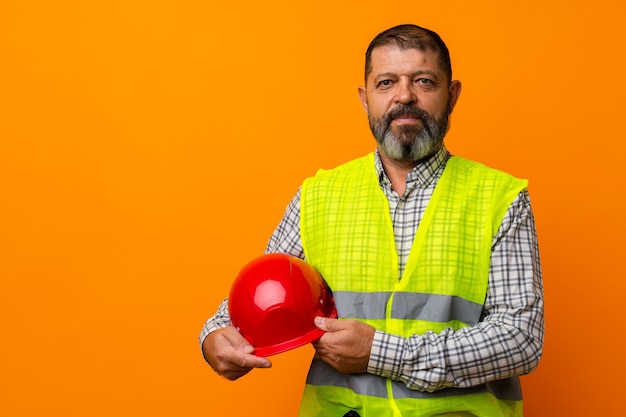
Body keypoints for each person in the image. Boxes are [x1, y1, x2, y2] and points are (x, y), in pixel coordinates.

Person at [199, 23, 544, 417]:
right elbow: (258, 298)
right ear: (365, 99)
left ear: (452, 95)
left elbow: (521, 338)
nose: (404, 96)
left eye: (424, 81)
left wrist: (381, 353)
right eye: (386, 82)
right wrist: (214, 338)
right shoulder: (320, 195)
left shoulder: (500, 197)